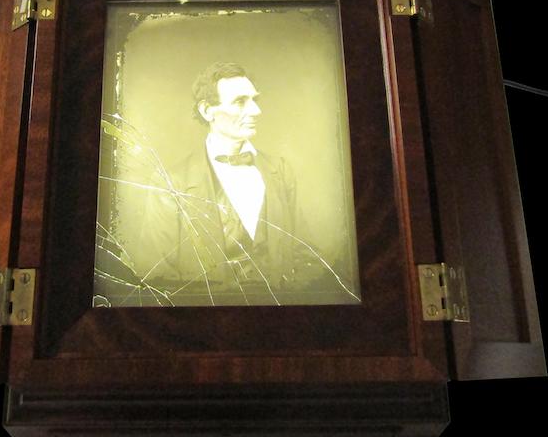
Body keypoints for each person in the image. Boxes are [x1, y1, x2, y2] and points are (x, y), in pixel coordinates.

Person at [97, 62, 358, 307]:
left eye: (255, 100)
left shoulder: (279, 171)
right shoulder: (172, 182)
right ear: (207, 110)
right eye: (240, 102)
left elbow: (307, 255)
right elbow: (158, 276)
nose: (255, 111)